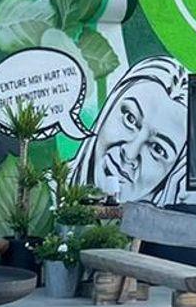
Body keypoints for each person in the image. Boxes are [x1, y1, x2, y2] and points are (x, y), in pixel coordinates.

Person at [72, 56, 189, 206]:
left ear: (176, 170)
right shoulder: (47, 192)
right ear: (108, 109)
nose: (129, 154)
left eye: (157, 148)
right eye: (130, 119)